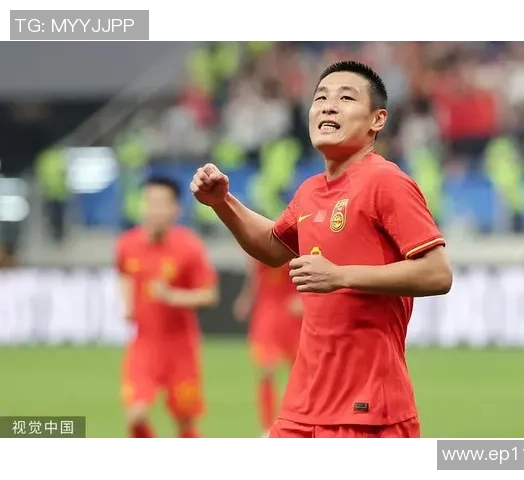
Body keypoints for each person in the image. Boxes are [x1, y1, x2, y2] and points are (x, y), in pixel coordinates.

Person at [190, 61, 453, 438]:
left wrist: (340, 276)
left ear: (377, 119)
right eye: (320, 98)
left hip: (366, 411)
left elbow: (438, 273)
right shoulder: (310, 190)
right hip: (302, 407)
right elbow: (272, 248)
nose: (328, 106)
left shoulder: (387, 182)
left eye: (345, 98)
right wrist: (223, 203)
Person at [116, 176, 219, 438]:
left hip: (180, 348)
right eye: (149, 202)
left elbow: (209, 296)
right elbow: (124, 272)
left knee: (184, 422)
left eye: (161, 203)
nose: (154, 210)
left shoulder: (190, 247)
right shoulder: (127, 244)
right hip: (144, 345)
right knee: (136, 415)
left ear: (176, 209)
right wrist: (127, 304)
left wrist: (172, 296)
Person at [233, 257, 302, 436]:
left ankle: (296, 423)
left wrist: (305, 299)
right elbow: (255, 272)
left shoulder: (296, 243)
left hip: (292, 312)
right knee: (266, 369)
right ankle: (267, 428)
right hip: (266, 312)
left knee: (299, 374)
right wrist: (247, 298)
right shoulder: (262, 243)